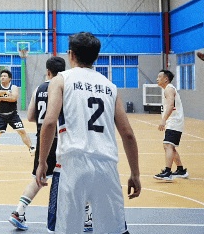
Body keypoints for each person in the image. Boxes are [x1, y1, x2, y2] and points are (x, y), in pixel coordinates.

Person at [35, 32, 141, 234]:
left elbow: (49, 123)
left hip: (71, 165)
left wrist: (42, 162)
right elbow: (127, 134)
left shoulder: (61, 80)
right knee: (114, 231)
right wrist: (135, 173)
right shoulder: (110, 86)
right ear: (96, 56)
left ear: (71, 54)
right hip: (106, 166)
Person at [9, 56, 68, 231]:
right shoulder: (64, 87)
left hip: (43, 139)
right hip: (61, 140)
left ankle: (19, 211)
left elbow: (30, 117)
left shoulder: (39, 89)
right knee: (75, 178)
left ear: (48, 71)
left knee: (38, 177)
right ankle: (87, 218)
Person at [0, 69, 35, 162]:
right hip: (1, 115)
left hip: (13, 115)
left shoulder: (14, 87)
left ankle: (31, 148)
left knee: (22, 131)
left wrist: (1, 98)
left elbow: (14, 98)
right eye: (1, 76)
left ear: (10, 78)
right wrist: (6, 93)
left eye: (5, 76)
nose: (2, 77)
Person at [154, 69, 189, 181]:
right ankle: (181, 170)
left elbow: (170, 105)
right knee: (170, 146)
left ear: (166, 79)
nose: (157, 79)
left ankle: (167, 172)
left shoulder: (169, 89)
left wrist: (163, 120)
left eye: (159, 77)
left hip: (174, 121)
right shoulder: (167, 89)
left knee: (167, 145)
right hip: (173, 121)